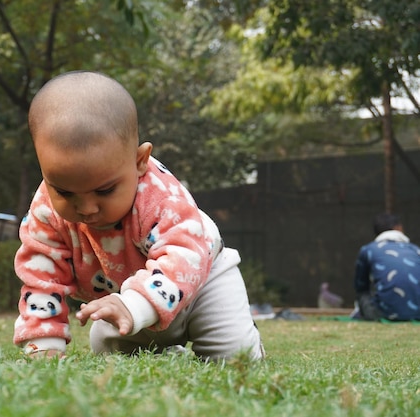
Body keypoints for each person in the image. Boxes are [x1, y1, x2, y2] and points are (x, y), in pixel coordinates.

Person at [13, 70, 264, 361]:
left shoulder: (161, 198)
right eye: (65, 193)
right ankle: (168, 350)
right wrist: (43, 344)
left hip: (204, 285)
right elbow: (41, 276)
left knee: (235, 358)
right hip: (128, 299)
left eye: (105, 191)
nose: (87, 208)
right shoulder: (46, 213)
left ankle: (245, 340)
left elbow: (182, 254)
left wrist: (134, 306)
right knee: (108, 348)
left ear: (140, 161)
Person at [354, 213, 420, 321]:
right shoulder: (415, 250)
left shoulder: (368, 250)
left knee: (363, 294)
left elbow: (360, 285)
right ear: (398, 228)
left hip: (386, 313)